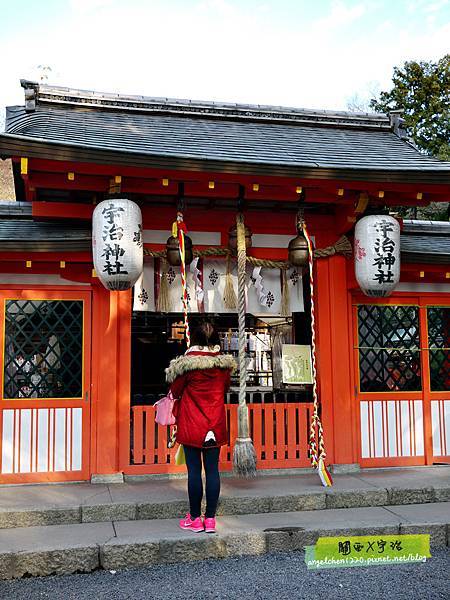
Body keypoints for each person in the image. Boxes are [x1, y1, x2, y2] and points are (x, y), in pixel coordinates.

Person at [165, 320, 236, 533]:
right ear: (216, 340)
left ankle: (195, 519)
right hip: (214, 423)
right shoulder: (223, 366)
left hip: (191, 424)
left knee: (194, 472)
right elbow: (225, 388)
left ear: (194, 339)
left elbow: (175, 392)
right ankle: (211, 519)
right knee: (213, 471)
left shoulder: (186, 365)